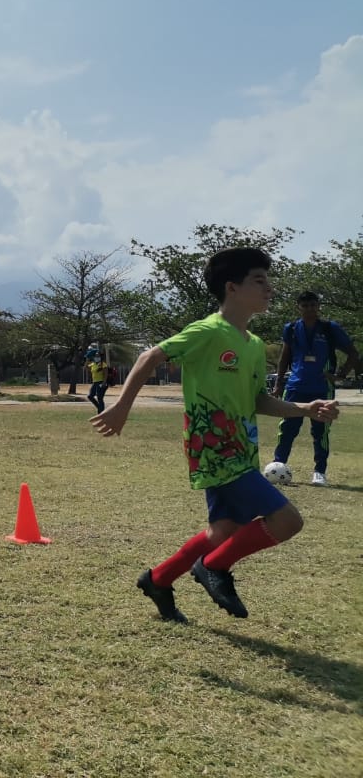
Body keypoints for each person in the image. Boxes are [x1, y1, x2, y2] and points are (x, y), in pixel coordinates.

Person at [91, 248, 338, 623]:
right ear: (232, 287)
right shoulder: (207, 331)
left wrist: (304, 408)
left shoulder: (254, 345)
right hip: (213, 447)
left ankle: (157, 580)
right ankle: (214, 569)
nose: (269, 289)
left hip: (242, 449)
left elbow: (258, 400)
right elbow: (149, 357)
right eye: (259, 281)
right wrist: (122, 405)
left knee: (221, 531)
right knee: (288, 521)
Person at [271, 291, 358, 485]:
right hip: (295, 386)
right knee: (287, 429)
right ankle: (278, 466)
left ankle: (319, 472)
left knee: (320, 432)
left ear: (319, 306)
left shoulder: (329, 328)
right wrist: (279, 384)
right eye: (305, 305)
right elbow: (284, 357)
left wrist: (340, 375)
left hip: (321, 387)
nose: (310, 309)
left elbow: (353, 353)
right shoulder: (291, 328)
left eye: (313, 305)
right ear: (298, 307)